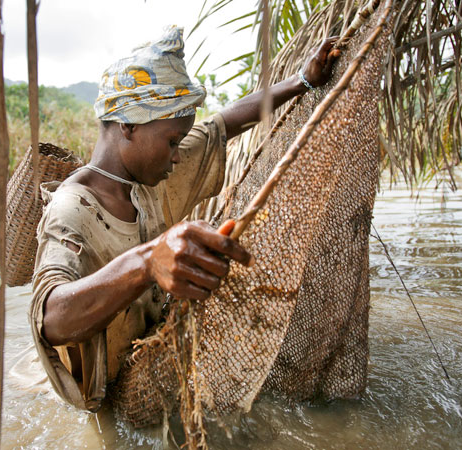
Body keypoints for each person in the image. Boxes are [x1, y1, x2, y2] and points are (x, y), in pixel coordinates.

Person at [29, 26, 340, 412]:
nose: (178, 156)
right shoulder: (71, 211)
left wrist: (302, 81)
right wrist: (147, 262)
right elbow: (52, 318)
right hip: (106, 398)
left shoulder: (149, 175)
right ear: (128, 125)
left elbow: (224, 124)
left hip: (146, 367)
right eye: (173, 142)